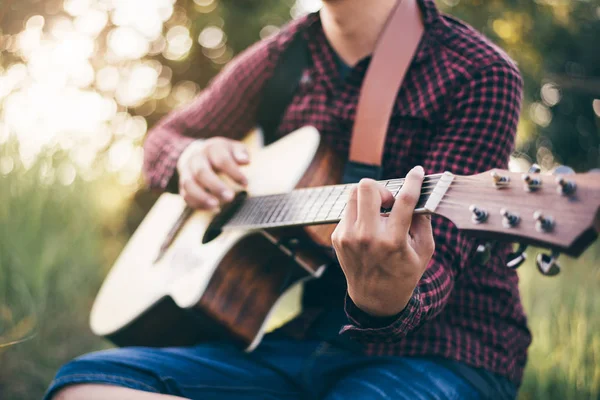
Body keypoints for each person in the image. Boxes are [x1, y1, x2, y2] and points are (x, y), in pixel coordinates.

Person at [45, 0, 531, 399]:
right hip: (309, 339)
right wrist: (189, 157)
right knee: (86, 387)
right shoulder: (284, 55)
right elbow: (164, 139)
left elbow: (436, 264)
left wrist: (387, 297)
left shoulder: (478, 72)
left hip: (446, 353)